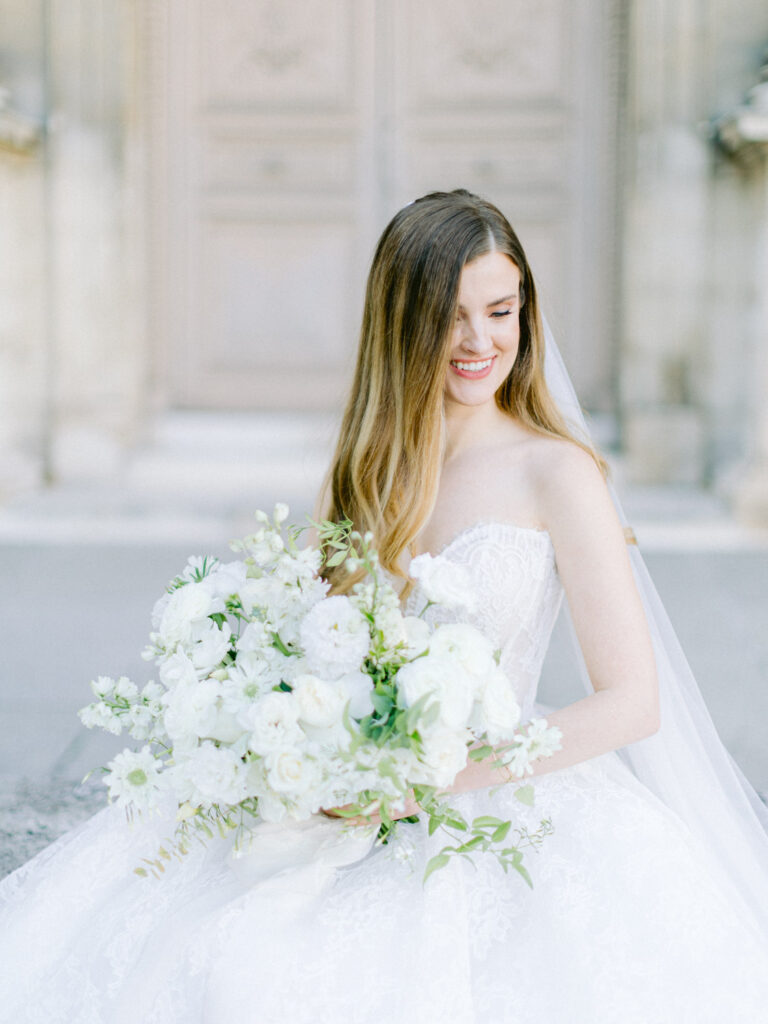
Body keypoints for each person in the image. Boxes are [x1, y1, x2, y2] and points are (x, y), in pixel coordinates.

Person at [1, 189, 767, 1023]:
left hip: (491, 790)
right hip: (342, 793)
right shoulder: (369, 469)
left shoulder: (558, 474)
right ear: (402, 322)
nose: (480, 341)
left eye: (501, 310)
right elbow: (312, 646)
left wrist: (429, 780)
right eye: (452, 316)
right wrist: (281, 723)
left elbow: (632, 704)